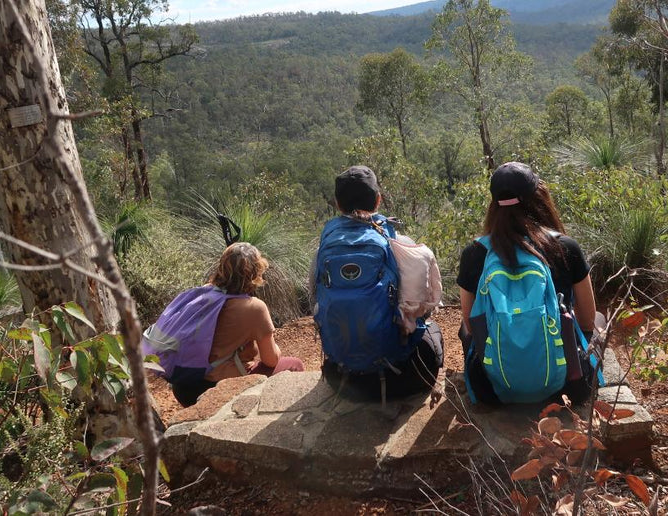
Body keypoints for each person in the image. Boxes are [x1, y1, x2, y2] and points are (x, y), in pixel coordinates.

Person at [456, 161, 599, 406]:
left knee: (463, 326)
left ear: (494, 205)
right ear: (539, 198)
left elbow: (472, 325)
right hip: (568, 386)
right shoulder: (565, 247)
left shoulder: (475, 252)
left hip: (492, 388)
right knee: (599, 320)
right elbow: (586, 320)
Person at [314, 165, 444, 401]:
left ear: (338, 204)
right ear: (378, 201)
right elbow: (424, 307)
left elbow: (317, 298)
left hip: (343, 379)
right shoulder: (402, 245)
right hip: (401, 378)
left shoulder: (324, 249)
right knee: (433, 331)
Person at [170, 242, 304, 406]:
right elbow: (271, 360)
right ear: (256, 273)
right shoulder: (254, 307)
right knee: (294, 365)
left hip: (184, 386)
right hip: (215, 387)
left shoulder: (203, 292)